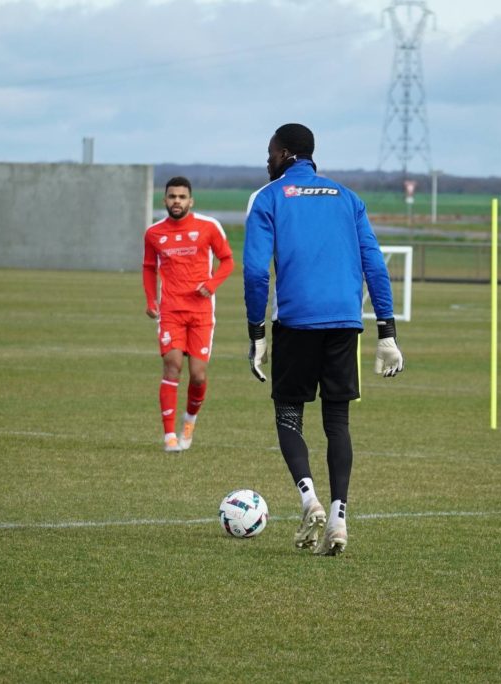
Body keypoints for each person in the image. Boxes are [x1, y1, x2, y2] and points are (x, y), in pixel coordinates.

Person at [243, 123, 404, 556]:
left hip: (296, 322)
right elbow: (375, 265)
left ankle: (308, 498)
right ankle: (338, 518)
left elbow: (256, 272)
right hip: (345, 323)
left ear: (283, 154)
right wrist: (387, 332)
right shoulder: (348, 198)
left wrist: (257, 333)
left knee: (289, 416)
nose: (267, 160)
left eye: (270, 152)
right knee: (338, 422)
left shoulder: (269, 197)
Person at [143, 176, 234, 451]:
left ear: (190, 201)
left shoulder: (208, 227)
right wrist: (151, 300)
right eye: (172, 196)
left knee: (198, 375)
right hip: (171, 310)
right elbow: (149, 267)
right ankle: (169, 436)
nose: (177, 201)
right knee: (172, 365)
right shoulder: (154, 233)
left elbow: (227, 261)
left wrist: (211, 285)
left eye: (182, 197)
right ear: (165, 200)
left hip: (201, 313)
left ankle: (189, 421)